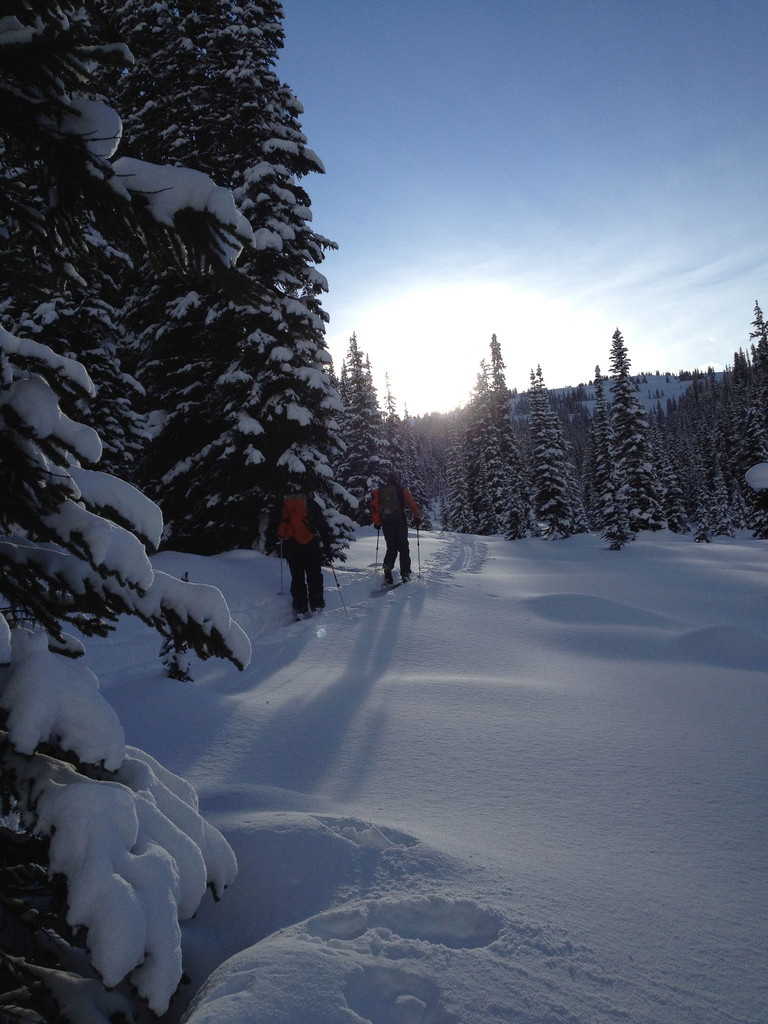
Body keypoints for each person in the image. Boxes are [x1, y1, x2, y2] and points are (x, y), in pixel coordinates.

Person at [277, 490, 333, 617]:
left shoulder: (286, 504)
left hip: (291, 546)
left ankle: (300, 608)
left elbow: (279, 523)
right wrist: (327, 548)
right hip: (310, 545)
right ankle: (316, 606)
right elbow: (322, 527)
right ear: (309, 492)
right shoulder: (311, 504)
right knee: (314, 576)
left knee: (297, 577)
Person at [370, 470, 421, 585]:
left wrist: (377, 522)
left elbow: (375, 506)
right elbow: (412, 504)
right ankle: (405, 574)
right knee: (403, 547)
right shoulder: (402, 490)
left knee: (391, 546)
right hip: (399, 522)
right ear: (398, 479)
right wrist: (417, 517)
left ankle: (387, 570)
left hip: (386, 523)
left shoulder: (381, 491)